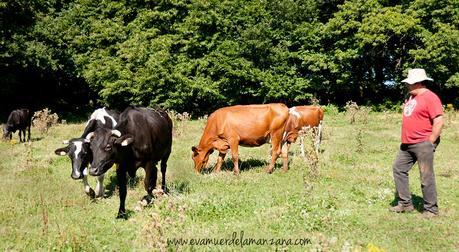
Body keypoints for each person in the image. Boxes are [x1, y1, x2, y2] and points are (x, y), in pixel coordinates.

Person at [390, 68, 444, 218]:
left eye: (409, 83)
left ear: (417, 83)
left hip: (423, 143)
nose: (407, 85)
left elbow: (438, 120)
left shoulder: (430, 97)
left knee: (426, 176)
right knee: (398, 168)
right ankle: (405, 204)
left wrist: (430, 141)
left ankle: (431, 210)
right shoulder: (411, 97)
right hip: (406, 144)